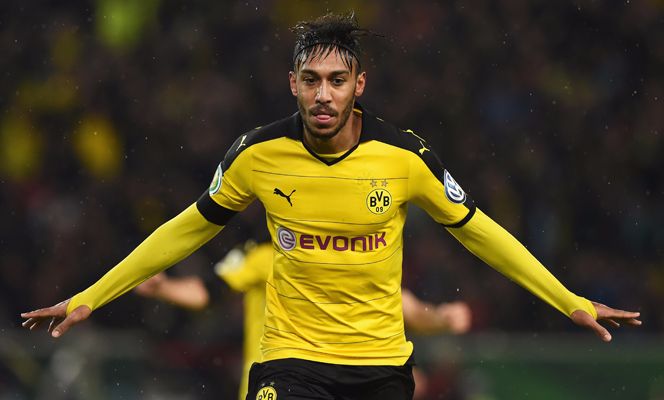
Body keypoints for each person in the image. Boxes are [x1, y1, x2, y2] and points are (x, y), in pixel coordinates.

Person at [21, 12, 641, 400]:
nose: (324, 95)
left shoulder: (404, 157)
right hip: (289, 364)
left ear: (358, 85)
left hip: (381, 369)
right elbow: (184, 231)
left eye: (337, 81)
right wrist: (91, 296)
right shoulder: (257, 154)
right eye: (312, 80)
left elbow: (481, 233)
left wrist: (568, 299)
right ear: (292, 83)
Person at [133, 240, 472, 400]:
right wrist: (164, 288)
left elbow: (406, 309)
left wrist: (441, 318)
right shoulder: (263, 256)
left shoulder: (354, 258)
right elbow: (208, 291)